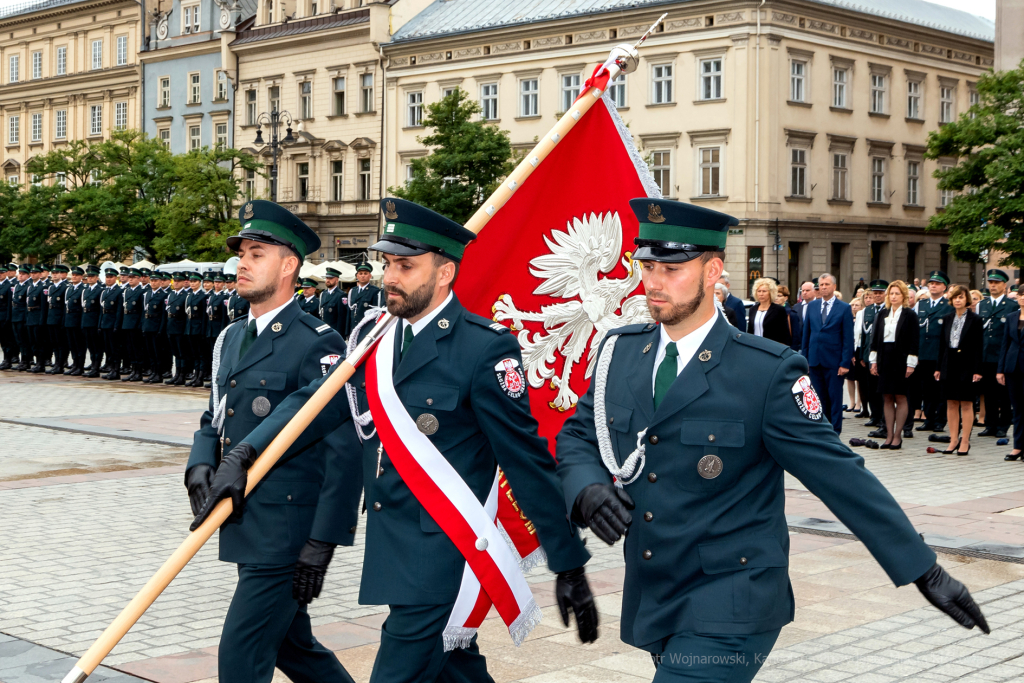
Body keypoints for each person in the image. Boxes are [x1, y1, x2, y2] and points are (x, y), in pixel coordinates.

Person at [555, 198, 988, 683]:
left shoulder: (766, 371)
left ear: (712, 270)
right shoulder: (621, 352)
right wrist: (587, 489)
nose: (653, 282)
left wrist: (922, 569)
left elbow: (840, 474)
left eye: (672, 268)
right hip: (655, 592)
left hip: (733, 598)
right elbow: (577, 436)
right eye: (647, 265)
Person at [219, 197, 599, 683]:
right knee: (454, 671)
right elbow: (314, 402)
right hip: (394, 549)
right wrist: (246, 451)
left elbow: (526, 463)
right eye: (387, 264)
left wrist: (568, 564)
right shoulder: (374, 337)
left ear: (444, 274)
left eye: (405, 265)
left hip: (445, 553)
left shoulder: (483, 348)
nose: (389, 277)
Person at [183, 200, 361, 683]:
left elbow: (340, 444)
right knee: (293, 646)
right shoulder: (232, 337)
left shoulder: (318, 341)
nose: (242, 262)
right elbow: (215, 414)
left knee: (240, 657)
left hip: (288, 530)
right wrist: (200, 461)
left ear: (288, 266)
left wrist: (323, 538)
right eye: (242, 252)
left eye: (256, 253)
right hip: (247, 522)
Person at [868, 281, 919, 449]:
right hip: (885, 357)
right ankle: (889, 434)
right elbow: (875, 339)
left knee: (901, 396)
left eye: (897, 293)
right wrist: (873, 361)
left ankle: (898, 435)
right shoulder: (883, 314)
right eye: (891, 293)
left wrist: (911, 363)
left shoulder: (909, 315)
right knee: (887, 396)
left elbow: (914, 340)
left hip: (901, 359)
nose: (893, 296)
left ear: (903, 296)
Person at [801, 273, 854, 433]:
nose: (823, 287)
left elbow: (848, 338)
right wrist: (805, 359)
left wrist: (845, 363)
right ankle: (820, 430)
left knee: (835, 398)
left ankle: (834, 430)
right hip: (815, 360)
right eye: (821, 285)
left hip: (834, 361)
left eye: (826, 284)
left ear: (834, 287)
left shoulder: (844, 308)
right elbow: (806, 334)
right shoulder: (812, 306)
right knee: (817, 398)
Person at [936, 284, 983, 455]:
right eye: (955, 297)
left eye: (961, 297)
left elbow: (979, 346)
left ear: (967, 300)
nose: (957, 300)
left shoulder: (976, 320)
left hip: (967, 364)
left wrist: (978, 370)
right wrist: (939, 367)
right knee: (951, 402)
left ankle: (965, 439)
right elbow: (942, 344)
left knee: (966, 402)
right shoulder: (947, 318)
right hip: (949, 362)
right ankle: (953, 438)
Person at [976, 269, 1017, 438]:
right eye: (991, 283)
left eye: (996, 283)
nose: (993, 286)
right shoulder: (982, 305)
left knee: (1003, 393)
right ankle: (990, 424)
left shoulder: (1011, 306)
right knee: (988, 393)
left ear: (1004, 285)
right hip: (986, 355)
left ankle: (1003, 424)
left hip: (1002, 355)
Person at [914, 271, 953, 433]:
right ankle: (928, 419)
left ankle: (940, 421)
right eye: (931, 283)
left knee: (940, 389)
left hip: (940, 354)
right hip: (923, 353)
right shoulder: (921, 305)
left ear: (944, 287)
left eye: (937, 283)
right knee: (927, 389)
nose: (933, 285)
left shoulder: (949, 306)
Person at [996, 302, 1024, 461]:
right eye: (1021, 295)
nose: (1023, 298)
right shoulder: (1011, 317)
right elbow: (1005, 343)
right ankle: (1018, 447)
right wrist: (1000, 369)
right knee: (1018, 408)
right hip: (1012, 366)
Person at [142, 271, 170, 383]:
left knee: (158, 352)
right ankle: (153, 372)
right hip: (148, 325)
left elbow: (164, 315)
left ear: (160, 281)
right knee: (151, 352)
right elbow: (144, 311)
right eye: (152, 280)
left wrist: (161, 329)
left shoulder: (163, 295)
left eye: (156, 281)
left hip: (156, 326)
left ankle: (159, 374)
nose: (153, 283)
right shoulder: (148, 294)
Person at [747, 277, 791, 346]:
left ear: (771, 293)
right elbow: (750, 331)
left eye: (764, 291)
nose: (761, 294)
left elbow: (784, 333)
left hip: (771, 347)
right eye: (759, 291)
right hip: (754, 346)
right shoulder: (753, 309)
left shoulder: (778, 310)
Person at [100, 267, 124, 380]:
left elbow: (119, 311)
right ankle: (110, 368)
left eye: (111, 277)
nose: (108, 279)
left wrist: (116, 325)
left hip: (113, 322)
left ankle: (116, 370)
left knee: (115, 349)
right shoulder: (105, 291)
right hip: (105, 322)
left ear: (115, 278)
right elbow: (102, 309)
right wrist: (100, 323)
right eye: (107, 277)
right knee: (108, 348)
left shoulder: (119, 291)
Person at [185, 272, 208, 387]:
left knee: (201, 354)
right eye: (191, 281)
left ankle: (200, 377)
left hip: (199, 328)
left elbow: (204, 316)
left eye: (195, 282)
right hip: (191, 327)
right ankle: (195, 375)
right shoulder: (190, 295)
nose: (192, 283)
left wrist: (203, 330)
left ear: (200, 283)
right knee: (194, 354)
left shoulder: (203, 296)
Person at [81, 265, 104, 377]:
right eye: (88, 276)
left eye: (92, 276)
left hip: (94, 321)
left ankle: (96, 367)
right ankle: (92, 364)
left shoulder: (100, 290)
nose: (89, 278)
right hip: (86, 321)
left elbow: (100, 309)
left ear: (97, 277)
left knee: (96, 346)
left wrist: (99, 324)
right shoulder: (85, 290)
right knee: (90, 345)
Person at [25, 265, 48, 373]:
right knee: (32, 342)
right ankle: (36, 362)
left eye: (35, 273)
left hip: (38, 317)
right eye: (32, 273)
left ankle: (41, 363)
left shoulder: (42, 287)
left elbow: (44, 307)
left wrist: (42, 321)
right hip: (30, 317)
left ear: (40, 274)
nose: (33, 274)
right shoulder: (30, 287)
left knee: (39, 342)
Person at [347, 262, 382, 332]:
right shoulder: (352, 291)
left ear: (370, 276)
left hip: (366, 329)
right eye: (360, 273)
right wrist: (347, 331)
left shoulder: (375, 291)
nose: (363, 276)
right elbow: (349, 312)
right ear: (357, 276)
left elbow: (376, 313)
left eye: (365, 273)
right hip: (353, 328)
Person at [63, 266, 85, 375]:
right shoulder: (69, 288)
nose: (74, 277)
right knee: (72, 345)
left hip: (77, 320)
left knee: (79, 345)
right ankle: (75, 364)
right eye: (73, 275)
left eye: (77, 275)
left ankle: (80, 366)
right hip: (69, 320)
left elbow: (82, 308)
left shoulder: (83, 289)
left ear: (81, 277)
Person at [848, 296, 864, 414]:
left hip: (858, 350)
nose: (854, 307)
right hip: (849, 350)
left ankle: (859, 402)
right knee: (850, 378)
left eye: (857, 305)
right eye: (853, 305)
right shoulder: (848, 318)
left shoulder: (862, 318)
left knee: (858, 378)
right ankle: (851, 401)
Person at [318, 267, 346, 336]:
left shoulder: (341, 295)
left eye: (330, 278)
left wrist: (339, 335)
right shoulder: (323, 294)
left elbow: (341, 318)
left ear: (337, 280)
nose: (328, 280)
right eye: (327, 278)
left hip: (334, 331)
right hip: (323, 330)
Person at [0, 263, 16, 370]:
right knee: (2, 340)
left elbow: (10, 304)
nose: (0, 275)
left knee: (7, 340)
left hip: (4, 316)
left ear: (6, 273)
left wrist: (8, 318)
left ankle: (8, 359)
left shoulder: (9, 286)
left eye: (2, 273)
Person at [776, 285, 802, 352]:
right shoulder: (769, 312)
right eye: (774, 295)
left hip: (786, 351)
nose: (776, 298)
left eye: (779, 296)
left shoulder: (791, 314)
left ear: (786, 298)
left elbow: (795, 338)